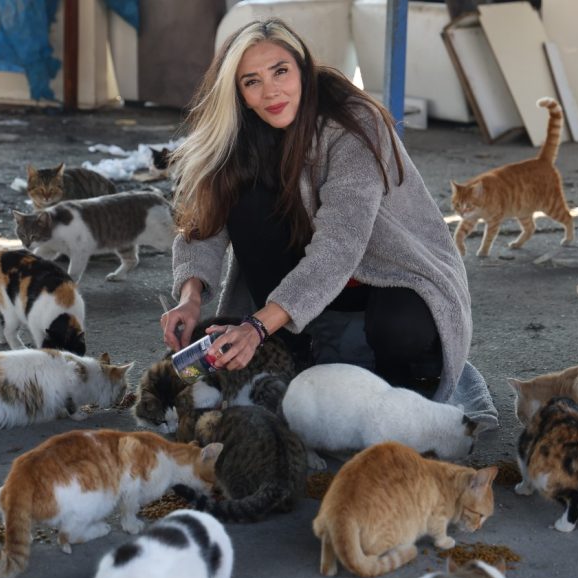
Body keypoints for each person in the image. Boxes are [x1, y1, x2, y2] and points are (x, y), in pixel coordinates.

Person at [160, 18, 473, 401]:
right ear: (239, 93)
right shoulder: (241, 132)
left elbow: (339, 246)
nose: (271, 91)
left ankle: (410, 382)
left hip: (391, 276)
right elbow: (204, 223)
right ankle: (294, 352)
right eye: (252, 81)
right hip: (306, 282)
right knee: (205, 336)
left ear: (303, 70)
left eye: (280, 71)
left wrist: (256, 328)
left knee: (399, 329)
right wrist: (190, 298)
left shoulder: (354, 123)